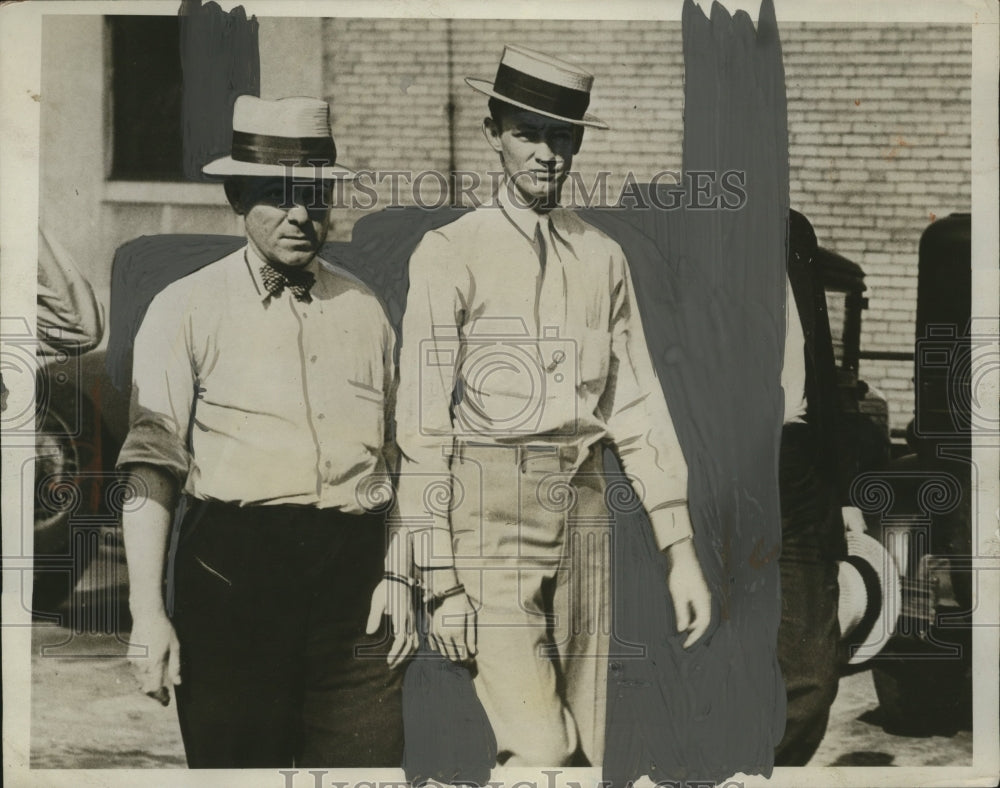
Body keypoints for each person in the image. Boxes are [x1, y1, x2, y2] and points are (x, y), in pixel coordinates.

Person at [393, 45, 713, 767]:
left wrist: (680, 553)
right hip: (488, 508)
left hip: (586, 504)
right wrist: (438, 577)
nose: (546, 155)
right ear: (492, 133)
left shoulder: (602, 257)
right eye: (527, 134)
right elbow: (421, 426)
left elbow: (636, 405)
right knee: (540, 745)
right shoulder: (449, 251)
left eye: (562, 138)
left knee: (590, 741)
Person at [116, 95, 415, 768]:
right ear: (236, 196)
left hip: (355, 588)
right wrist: (146, 613)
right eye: (278, 199)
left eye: (315, 197)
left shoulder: (365, 308)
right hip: (233, 580)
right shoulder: (186, 307)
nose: (302, 216)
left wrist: (400, 571)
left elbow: (404, 455)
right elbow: (150, 467)